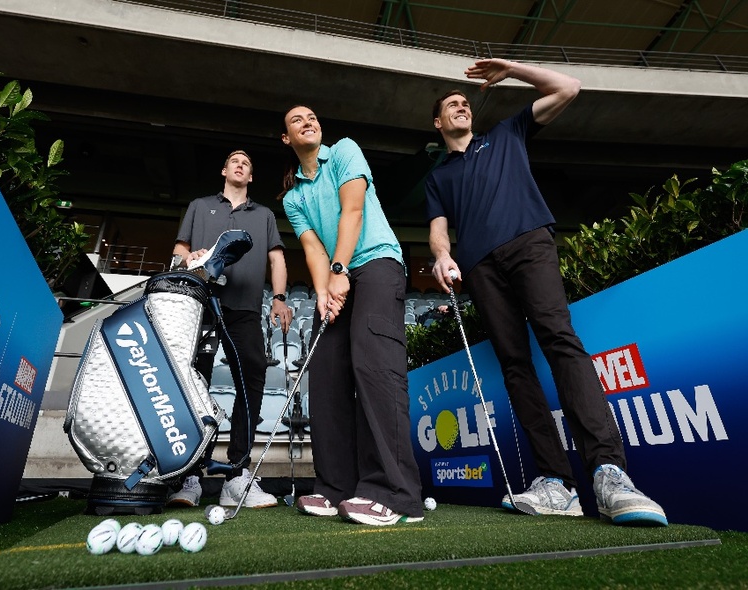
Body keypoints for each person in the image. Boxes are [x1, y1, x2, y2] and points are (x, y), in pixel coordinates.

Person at [425, 58, 668, 526]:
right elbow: (438, 230)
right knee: (515, 367)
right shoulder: (438, 177)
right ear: (438, 123)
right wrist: (442, 256)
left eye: (464, 102)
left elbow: (568, 87)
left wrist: (511, 70)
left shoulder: (504, 133)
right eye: (451, 104)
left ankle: (609, 472)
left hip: (528, 242)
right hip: (479, 267)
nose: (461, 105)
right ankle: (556, 483)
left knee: (559, 338)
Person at [279, 105, 424, 526]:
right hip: (339, 275)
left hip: (376, 263)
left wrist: (340, 272)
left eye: (312, 117)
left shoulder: (344, 151)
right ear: (287, 139)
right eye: (296, 121)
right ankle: (337, 487)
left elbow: (353, 212)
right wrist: (324, 292)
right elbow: (312, 249)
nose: (308, 121)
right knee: (325, 371)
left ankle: (396, 494)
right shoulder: (293, 198)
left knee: (372, 365)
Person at [167, 149, 293, 509]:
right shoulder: (199, 205)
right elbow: (179, 249)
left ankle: (237, 476)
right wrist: (185, 259)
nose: (240, 165)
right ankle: (187, 474)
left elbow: (276, 258)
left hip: (244, 310)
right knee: (194, 384)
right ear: (224, 170)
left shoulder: (265, 214)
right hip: (200, 305)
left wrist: (280, 297)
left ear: (251, 177)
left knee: (252, 376)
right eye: (234, 161)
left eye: (247, 164)